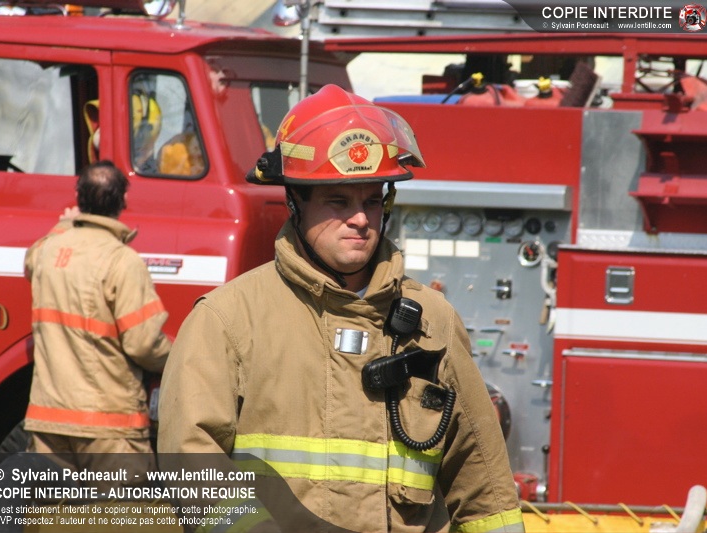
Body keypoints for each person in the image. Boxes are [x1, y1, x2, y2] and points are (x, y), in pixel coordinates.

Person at [158, 85, 524, 532]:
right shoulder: (228, 320)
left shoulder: (433, 321)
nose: (361, 219)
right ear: (295, 200)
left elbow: (485, 487)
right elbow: (193, 466)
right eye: (338, 200)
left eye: (371, 200)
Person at [24, 160, 171, 482]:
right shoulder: (123, 261)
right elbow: (143, 344)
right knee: (119, 510)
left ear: (78, 198)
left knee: (51, 511)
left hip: (48, 421)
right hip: (109, 427)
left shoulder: (49, 251)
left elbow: (31, 258)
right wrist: (180, 358)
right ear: (123, 201)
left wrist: (64, 225)